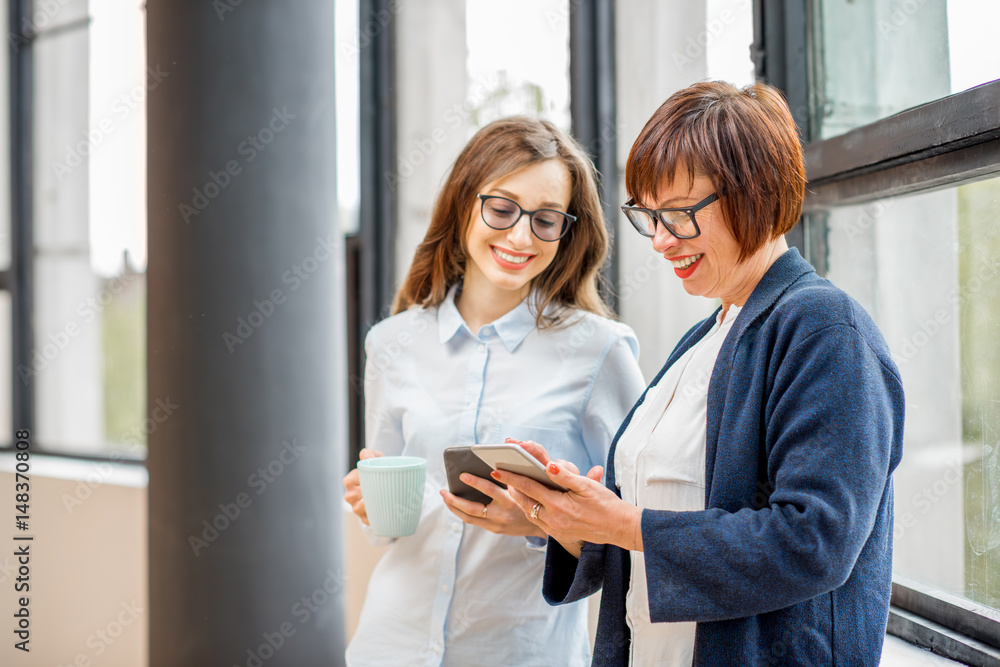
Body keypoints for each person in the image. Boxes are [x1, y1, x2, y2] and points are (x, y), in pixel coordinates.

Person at [495, 81, 905, 666]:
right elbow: (662, 537)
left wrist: (628, 524)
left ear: (755, 192)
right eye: (649, 216)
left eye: (681, 215)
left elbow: (814, 542)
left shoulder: (825, 330)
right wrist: (573, 519)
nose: (661, 241)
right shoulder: (707, 336)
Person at [343, 116, 646, 666]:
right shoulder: (392, 343)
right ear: (464, 203)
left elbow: (635, 528)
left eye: (546, 219)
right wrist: (373, 508)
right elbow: (390, 528)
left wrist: (539, 525)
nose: (521, 236)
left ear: (567, 231)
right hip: (391, 646)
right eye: (502, 209)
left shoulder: (600, 352)